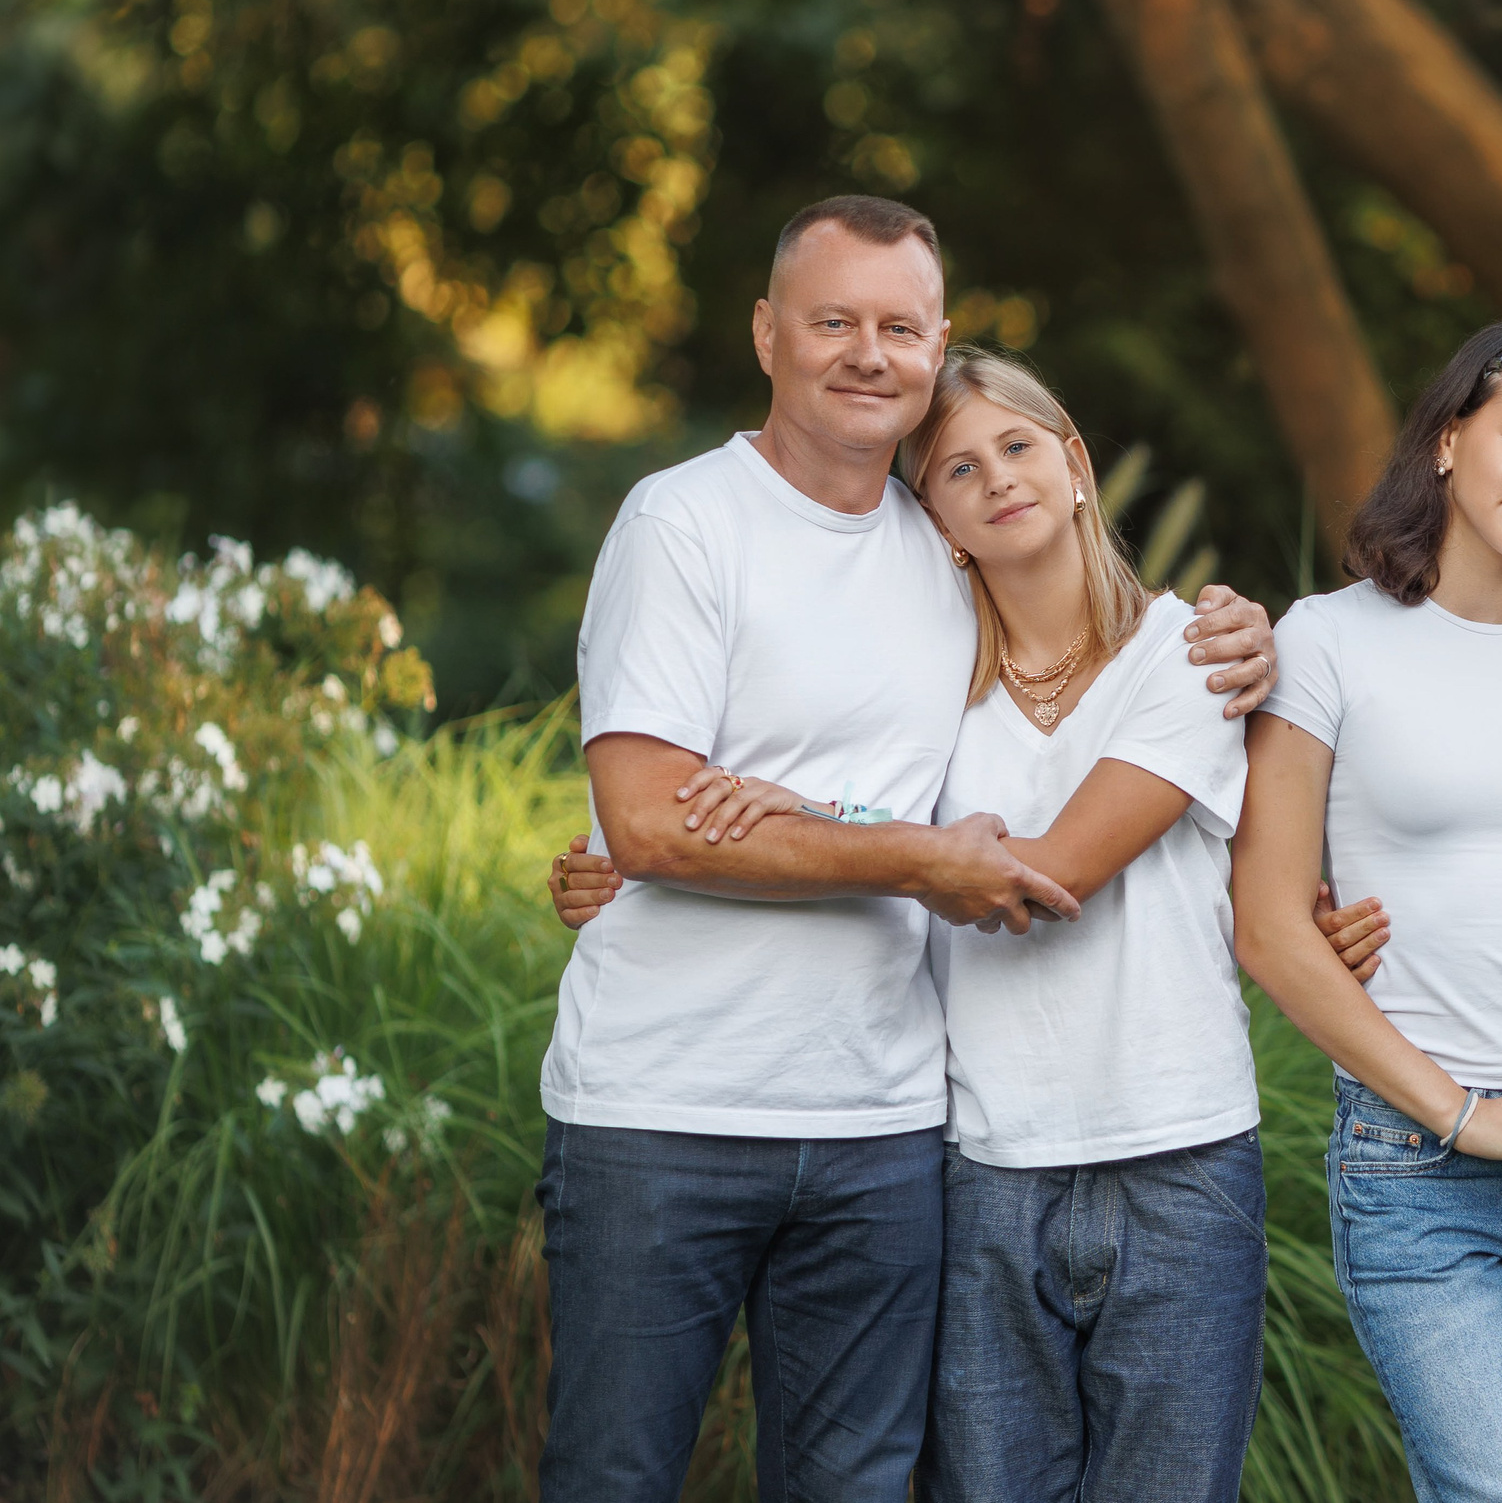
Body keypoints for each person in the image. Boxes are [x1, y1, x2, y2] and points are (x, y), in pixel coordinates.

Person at [536, 194, 1274, 1503]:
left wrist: (1247, 639)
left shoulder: (939, 559)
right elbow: (650, 818)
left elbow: (1030, 776)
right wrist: (893, 859)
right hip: (664, 1113)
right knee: (613, 1477)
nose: (866, 353)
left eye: (898, 327)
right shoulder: (681, 522)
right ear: (768, 333)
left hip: (886, 1129)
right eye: (833, 321)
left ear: (937, 346)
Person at [1230, 313, 1502, 1503]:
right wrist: (1463, 1113)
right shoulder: (1325, 642)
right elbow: (1267, 924)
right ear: (1445, 438)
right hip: (1417, 1165)